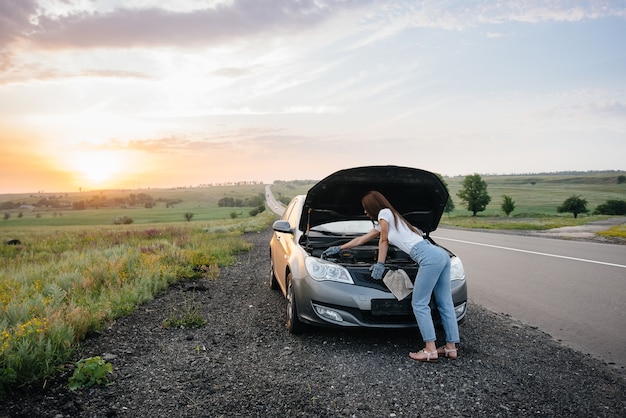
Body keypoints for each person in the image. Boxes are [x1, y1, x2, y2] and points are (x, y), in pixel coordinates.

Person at [321, 190, 459, 362]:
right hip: (440, 255)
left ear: (373, 205)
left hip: (429, 257)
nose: (365, 212)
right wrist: (340, 248)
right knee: (445, 303)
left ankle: (430, 349)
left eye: (366, 208)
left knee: (419, 303)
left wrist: (380, 263)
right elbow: (362, 239)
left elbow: (384, 240)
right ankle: (450, 348)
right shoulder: (392, 219)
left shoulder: (384, 213)